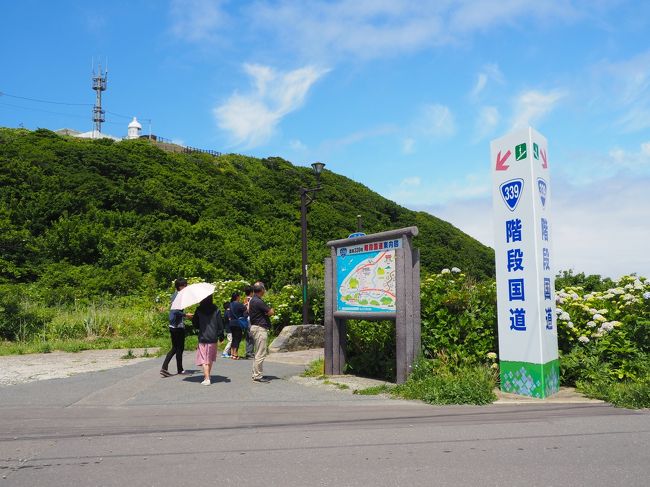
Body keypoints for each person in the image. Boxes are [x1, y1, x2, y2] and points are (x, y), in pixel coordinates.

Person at [161, 278, 193, 377]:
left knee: (176, 347)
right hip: (177, 326)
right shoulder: (178, 295)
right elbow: (175, 311)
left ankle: (170, 368)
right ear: (180, 286)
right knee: (178, 347)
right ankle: (174, 369)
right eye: (185, 285)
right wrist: (185, 315)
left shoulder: (175, 294)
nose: (186, 287)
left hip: (173, 325)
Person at [192, 295, 224, 386]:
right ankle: (207, 375)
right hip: (213, 337)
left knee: (203, 358)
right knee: (209, 358)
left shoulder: (199, 309)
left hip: (203, 336)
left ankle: (207, 378)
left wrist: (199, 325)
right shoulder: (216, 309)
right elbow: (220, 323)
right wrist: (221, 335)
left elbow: (195, 323)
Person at [249, 282, 274, 383]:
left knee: (258, 352)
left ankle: (255, 374)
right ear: (262, 290)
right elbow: (270, 312)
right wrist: (271, 310)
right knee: (261, 353)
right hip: (260, 329)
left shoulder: (253, 300)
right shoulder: (258, 301)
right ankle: (257, 375)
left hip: (255, 327)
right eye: (264, 289)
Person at [228, 292, 247, 360]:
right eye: (239, 296)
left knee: (233, 338)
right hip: (237, 323)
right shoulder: (239, 304)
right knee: (237, 339)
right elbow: (246, 310)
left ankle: (232, 353)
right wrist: (246, 304)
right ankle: (235, 354)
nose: (240, 298)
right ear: (237, 297)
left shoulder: (230, 304)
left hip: (231, 323)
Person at [243, 285, 255, 359]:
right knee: (251, 336)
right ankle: (249, 352)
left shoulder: (244, 299)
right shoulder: (252, 300)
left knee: (248, 336)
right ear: (251, 292)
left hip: (245, 319)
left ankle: (248, 351)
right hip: (250, 319)